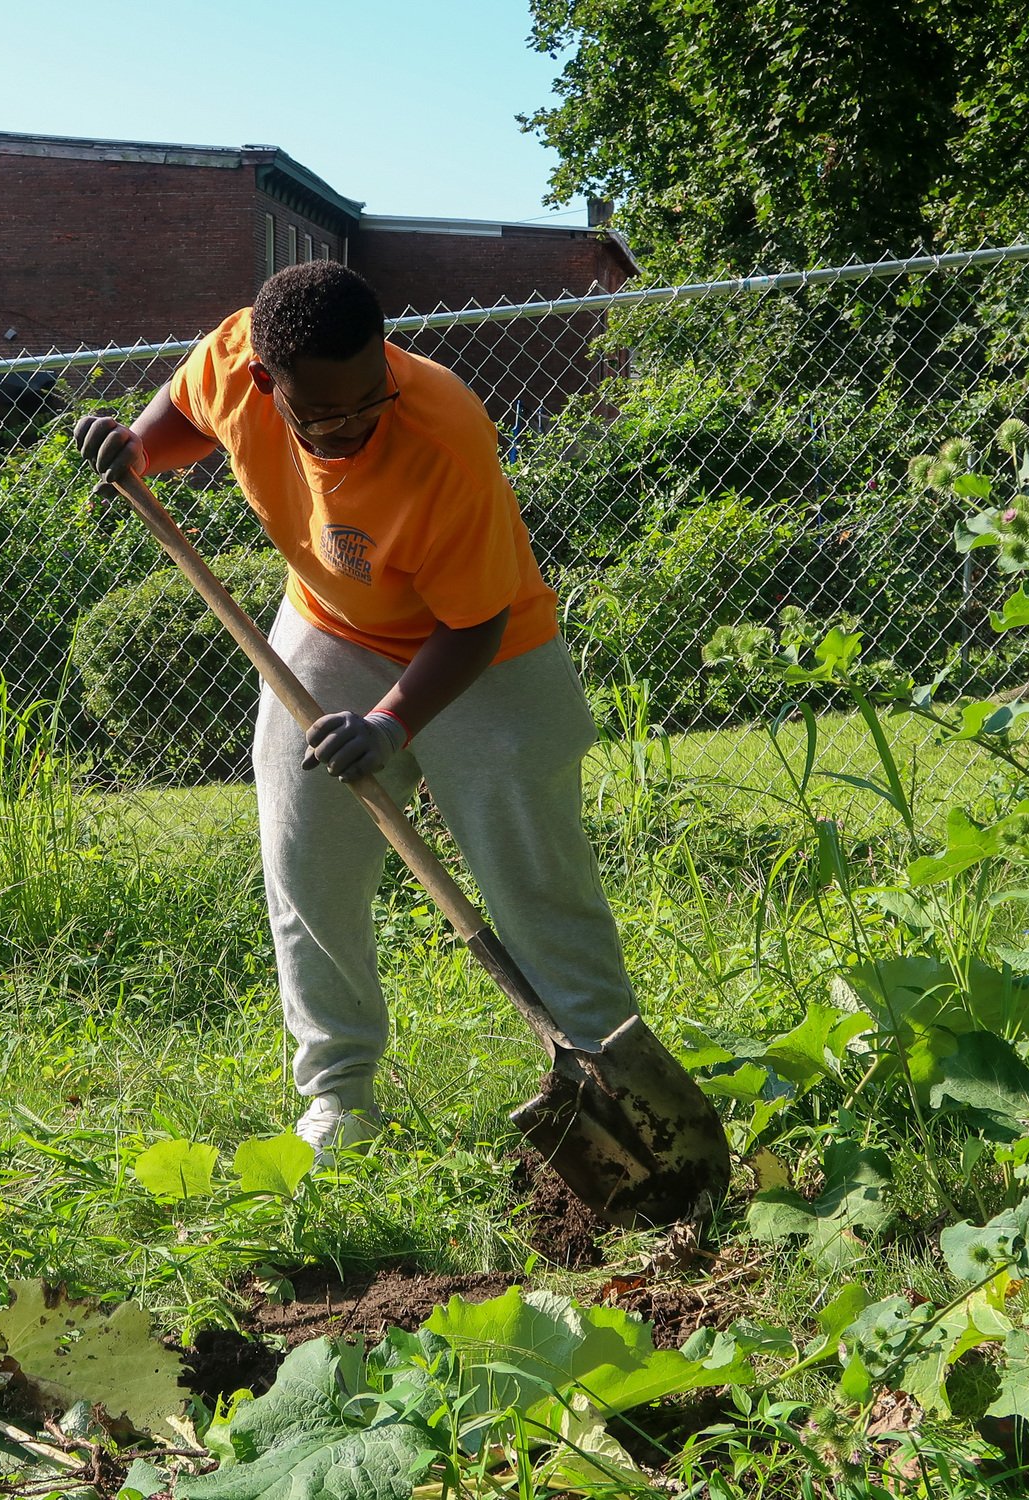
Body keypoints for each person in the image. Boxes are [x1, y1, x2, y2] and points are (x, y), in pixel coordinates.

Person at [73, 262, 638, 1155]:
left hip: (486, 652)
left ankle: (617, 1077)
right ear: (267, 383)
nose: (356, 429)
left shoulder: (442, 429)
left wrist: (388, 724)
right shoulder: (238, 359)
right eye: (328, 415)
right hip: (331, 626)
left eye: (372, 400)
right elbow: (185, 411)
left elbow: (475, 623)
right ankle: (338, 1095)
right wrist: (138, 449)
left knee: (534, 878)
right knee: (307, 864)